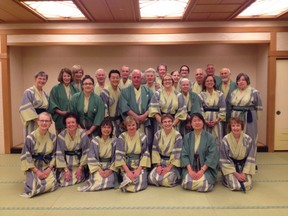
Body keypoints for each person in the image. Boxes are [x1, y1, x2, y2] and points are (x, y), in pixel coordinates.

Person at [20, 112, 58, 198]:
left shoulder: (53, 137)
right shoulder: (30, 137)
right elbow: (26, 156)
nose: (44, 123)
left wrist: (49, 169)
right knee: (32, 187)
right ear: (37, 121)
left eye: (47, 121)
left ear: (50, 123)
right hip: (33, 166)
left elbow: (55, 155)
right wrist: (37, 171)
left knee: (53, 184)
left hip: (46, 166)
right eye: (42, 120)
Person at [181, 113, 218, 192]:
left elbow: (212, 155)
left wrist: (202, 171)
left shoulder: (210, 137)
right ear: (191, 124)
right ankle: (199, 184)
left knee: (204, 184)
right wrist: (190, 171)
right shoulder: (187, 137)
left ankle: (202, 182)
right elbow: (184, 155)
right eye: (194, 121)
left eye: (199, 120)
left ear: (203, 122)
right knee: (186, 183)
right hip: (191, 166)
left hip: (205, 168)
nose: (197, 123)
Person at [78, 118, 118, 191]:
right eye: (104, 127)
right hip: (98, 166)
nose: (106, 129)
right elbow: (91, 157)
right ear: (100, 128)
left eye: (109, 127)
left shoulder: (115, 140)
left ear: (112, 129)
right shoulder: (95, 140)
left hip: (110, 167)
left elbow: (117, 157)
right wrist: (100, 170)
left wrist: (110, 170)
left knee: (109, 181)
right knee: (99, 180)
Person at [119, 69, 154, 149]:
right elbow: (125, 107)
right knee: (130, 144)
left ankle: (146, 160)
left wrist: (144, 115)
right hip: (131, 121)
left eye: (138, 77)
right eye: (134, 77)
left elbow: (152, 105)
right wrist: (137, 118)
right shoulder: (125, 91)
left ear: (142, 79)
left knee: (146, 143)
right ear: (131, 78)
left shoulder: (148, 91)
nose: (136, 79)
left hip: (145, 121)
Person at [115, 116, 151, 192]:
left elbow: (146, 154)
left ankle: (128, 184)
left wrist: (138, 170)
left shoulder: (143, 137)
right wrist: (128, 171)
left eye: (133, 125)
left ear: (136, 125)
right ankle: (127, 181)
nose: (131, 127)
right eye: (129, 125)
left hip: (140, 166)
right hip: (126, 166)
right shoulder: (122, 137)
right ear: (126, 126)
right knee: (129, 177)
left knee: (140, 180)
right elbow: (119, 155)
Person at [220, 117, 256, 192]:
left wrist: (244, 173)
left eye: (238, 125)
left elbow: (250, 157)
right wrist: (236, 174)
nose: (235, 128)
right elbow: (224, 159)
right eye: (233, 126)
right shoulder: (225, 139)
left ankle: (244, 175)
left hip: (243, 166)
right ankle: (226, 177)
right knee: (234, 185)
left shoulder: (248, 139)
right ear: (230, 127)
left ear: (241, 127)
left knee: (247, 184)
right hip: (231, 167)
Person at [229, 73, 262, 153]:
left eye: (243, 80)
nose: (241, 82)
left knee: (250, 136)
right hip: (236, 116)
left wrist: (256, 119)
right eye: (239, 80)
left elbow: (259, 107)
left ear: (247, 81)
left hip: (249, 116)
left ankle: (251, 159)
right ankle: (237, 157)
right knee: (236, 136)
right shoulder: (234, 93)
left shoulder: (254, 92)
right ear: (237, 82)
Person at [56, 113, 90, 187]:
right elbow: (59, 153)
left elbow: (86, 151)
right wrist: (65, 169)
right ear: (65, 124)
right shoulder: (61, 135)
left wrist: (81, 168)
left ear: (77, 123)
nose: (71, 124)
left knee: (77, 178)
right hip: (66, 164)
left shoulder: (82, 134)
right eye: (68, 123)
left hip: (79, 163)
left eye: (73, 122)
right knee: (63, 181)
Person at [148, 114, 182, 187]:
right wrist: (159, 166)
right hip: (160, 162)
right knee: (151, 178)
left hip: (172, 164)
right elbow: (155, 151)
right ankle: (160, 178)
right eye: (165, 122)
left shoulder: (177, 135)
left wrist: (168, 168)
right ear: (161, 124)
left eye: (169, 121)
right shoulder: (157, 134)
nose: (167, 123)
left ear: (173, 122)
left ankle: (170, 177)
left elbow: (177, 153)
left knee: (167, 181)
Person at [48, 68, 79, 133]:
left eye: (68, 76)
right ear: (61, 76)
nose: (66, 78)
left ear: (71, 77)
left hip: (72, 118)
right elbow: (52, 102)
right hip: (60, 117)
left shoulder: (75, 88)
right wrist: (61, 112)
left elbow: (79, 102)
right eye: (64, 76)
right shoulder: (55, 89)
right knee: (61, 138)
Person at [199, 75, 226, 150]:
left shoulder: (220, 94)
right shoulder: (201, 95)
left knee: (217, 139)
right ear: (204, 83)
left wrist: (217, 120)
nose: (209, 82)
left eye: (211, 81)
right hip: (205, 121)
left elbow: (223, 108)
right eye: (207, 81)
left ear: (214, 83)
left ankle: (217, 159)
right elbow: (200, 108)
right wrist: (204, 120)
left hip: (217, 120)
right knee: (205, 139)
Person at [19, 71, 49, 138]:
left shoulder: (45, 94)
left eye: (44, 79)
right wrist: (37, 119)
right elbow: (25, 107)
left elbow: (48, 108)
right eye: (40, 78)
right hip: (33, 120)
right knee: (32, 138)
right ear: (35, 79)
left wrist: (45, 120)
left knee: (43, 138)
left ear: (46, 81)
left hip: (43, 121)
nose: (42, 80)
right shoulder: (29, 92)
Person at [100, 69, 122, 137]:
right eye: (113, 78)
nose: (115, 79)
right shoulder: (105, 92)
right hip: (109, 122)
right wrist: (108, 125)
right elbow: (104, 110)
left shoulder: (120, 91)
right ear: (109, 79)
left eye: (117, 77)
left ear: (120, 78)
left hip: (119, 121)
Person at [218, 67, 237, 135]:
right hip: (220, 114)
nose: (223, 75)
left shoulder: (235, 85)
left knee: (232, 133)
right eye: (222, 74)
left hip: (232, 113)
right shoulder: (217, 86)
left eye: (225, 73)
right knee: (221, 133)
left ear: (229, 74)